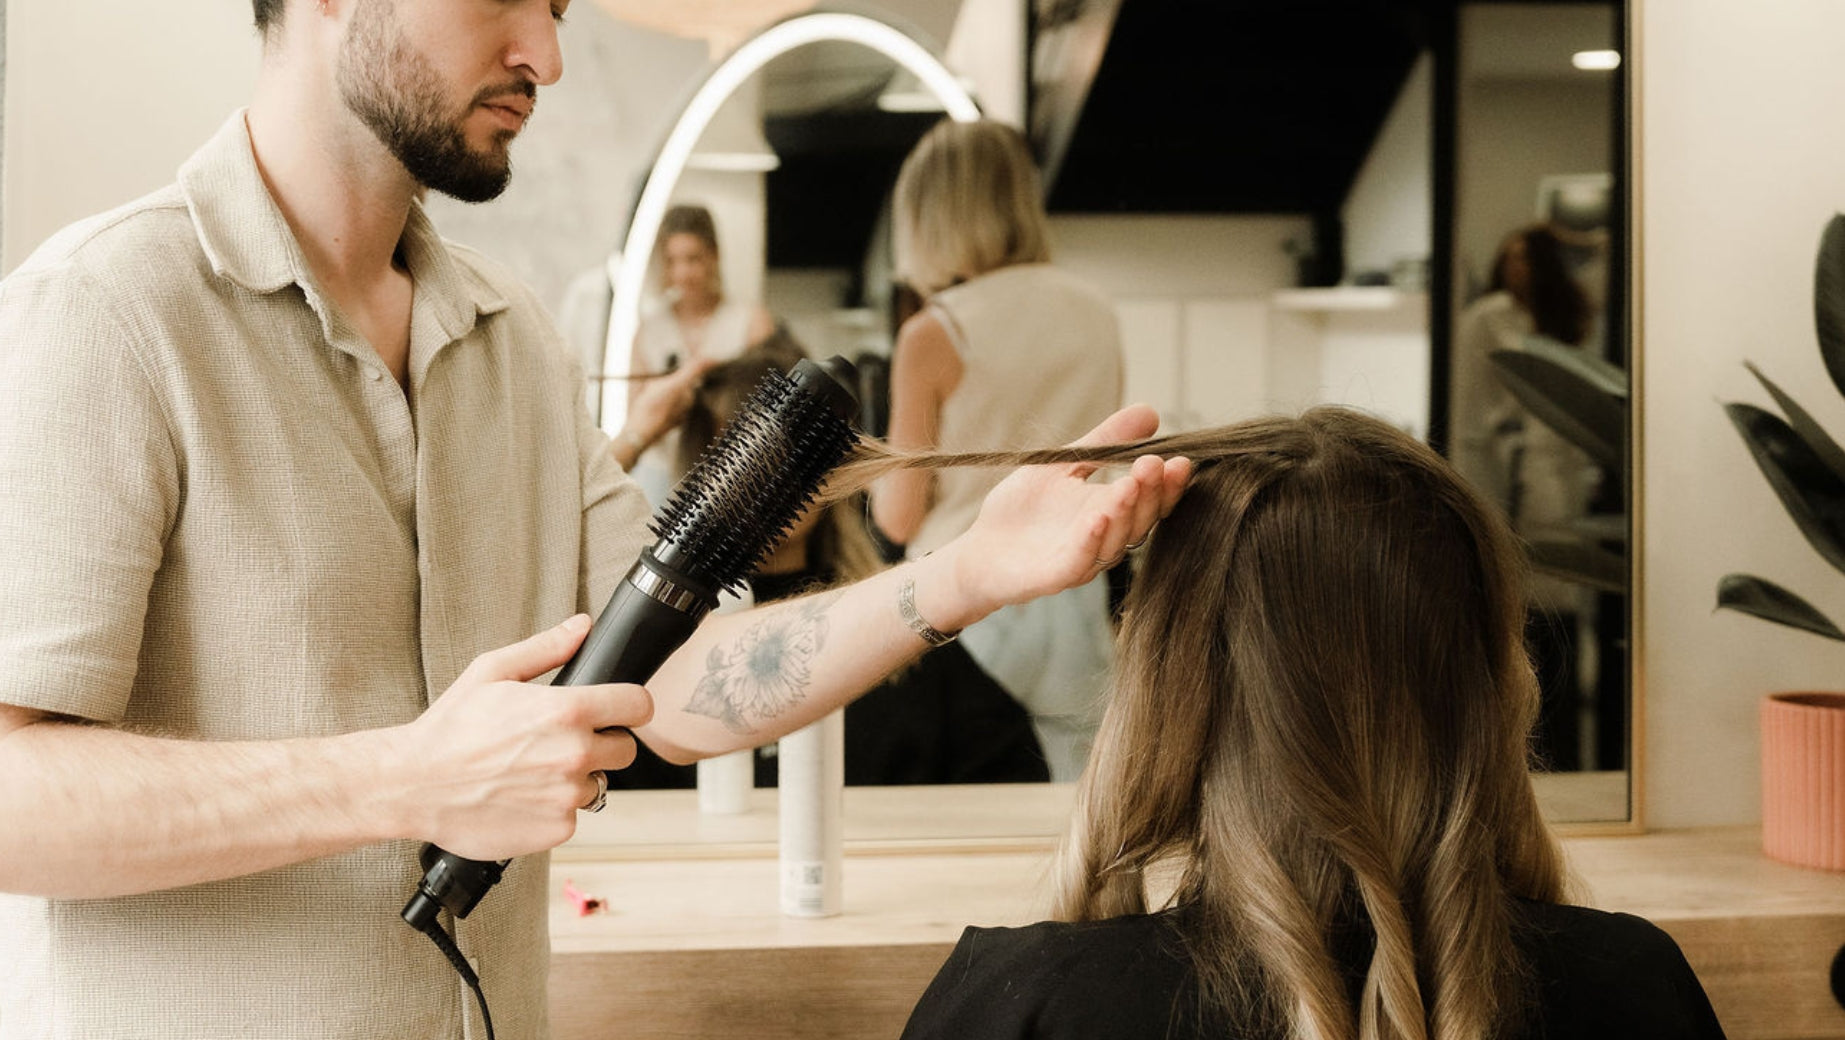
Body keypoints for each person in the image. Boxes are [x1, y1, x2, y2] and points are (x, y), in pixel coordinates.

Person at [0, 3, 1188, 1038]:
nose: (547, 56)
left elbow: (676, 681)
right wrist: (403, 780)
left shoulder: (512, 338)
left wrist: (966, 572)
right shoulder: (106, 315)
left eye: (560, 6)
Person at [845, 407, 1723, 1040]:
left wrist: (954, 575)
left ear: (1161, 681)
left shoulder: (1028, 1004)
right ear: (1492, 681)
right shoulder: (1633, 988)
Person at [617, 332, 1051, 788]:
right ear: (705, 468)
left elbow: (1012, 769)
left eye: (784, 453)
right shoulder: (668, 644)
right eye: (741, 453)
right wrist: (634, 435)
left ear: (824, 465)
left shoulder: (891, 609)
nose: (761, 480)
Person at [873, 117, 1127, 781]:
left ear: (928, 216)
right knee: (1072, 796)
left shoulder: (933, 333)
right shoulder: (1096, 311)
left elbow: (898, 516)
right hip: (1074, 589)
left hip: (965, 602)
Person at [1449, 222, 1606, 771]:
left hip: (1565, 477)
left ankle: (1563, 751)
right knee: (1520, 607)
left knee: (1564, 605)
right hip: (1507, 475)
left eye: (1527, 258)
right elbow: (1472, 405)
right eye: (1507, 256)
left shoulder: (1566, 320)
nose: (1517, 268)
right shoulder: (1485, 319)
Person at [622, 203, 776, 505]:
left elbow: (771, 416)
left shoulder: (751, 324)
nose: (683, 273)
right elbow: (635, 415)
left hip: (734, 478)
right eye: (672, 261)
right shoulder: (649, 331)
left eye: (693, 259)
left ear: (714, 256)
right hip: (662, 479)